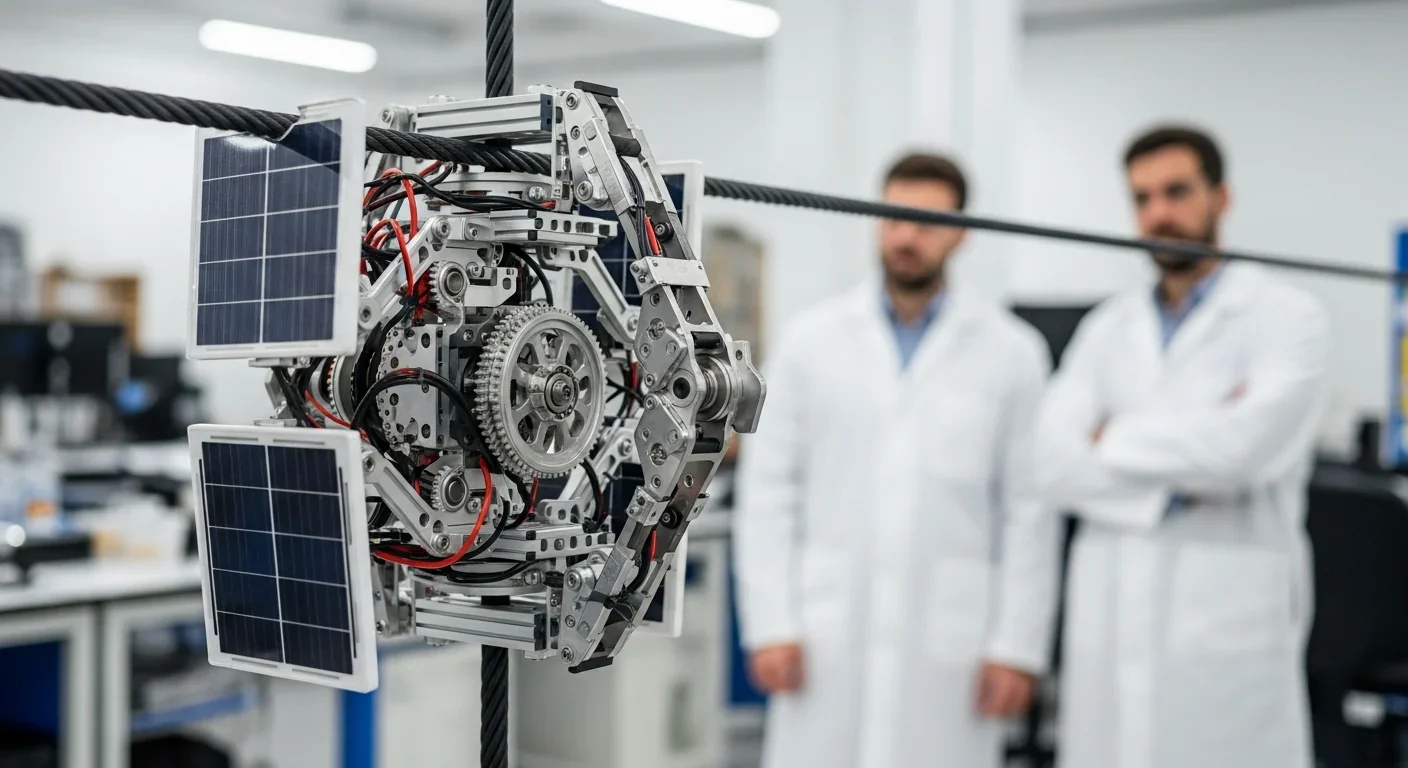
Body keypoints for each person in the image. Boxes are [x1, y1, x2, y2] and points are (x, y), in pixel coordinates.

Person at [734, 152, 1060, 768]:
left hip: (953, 640)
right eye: (892, 218)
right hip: (826, 629)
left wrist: (1018, 646)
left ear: (961, 232)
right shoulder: (811, 342)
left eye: (926, 222)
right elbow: (769, 491)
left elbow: (1029, 511)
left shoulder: (1012, 353)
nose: (906, 236)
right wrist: (770, 621)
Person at [1035, 126, 1329, 768]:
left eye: (1176, 192)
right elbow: (1052, 464)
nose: (1158, 214)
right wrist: (1176, 478)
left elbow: (1242, 453)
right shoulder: (1106, 328)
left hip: (1225, 635)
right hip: (1110, 628)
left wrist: (1108, 437)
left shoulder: (1286, 317)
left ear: (1221, 198)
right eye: (1141, 198)